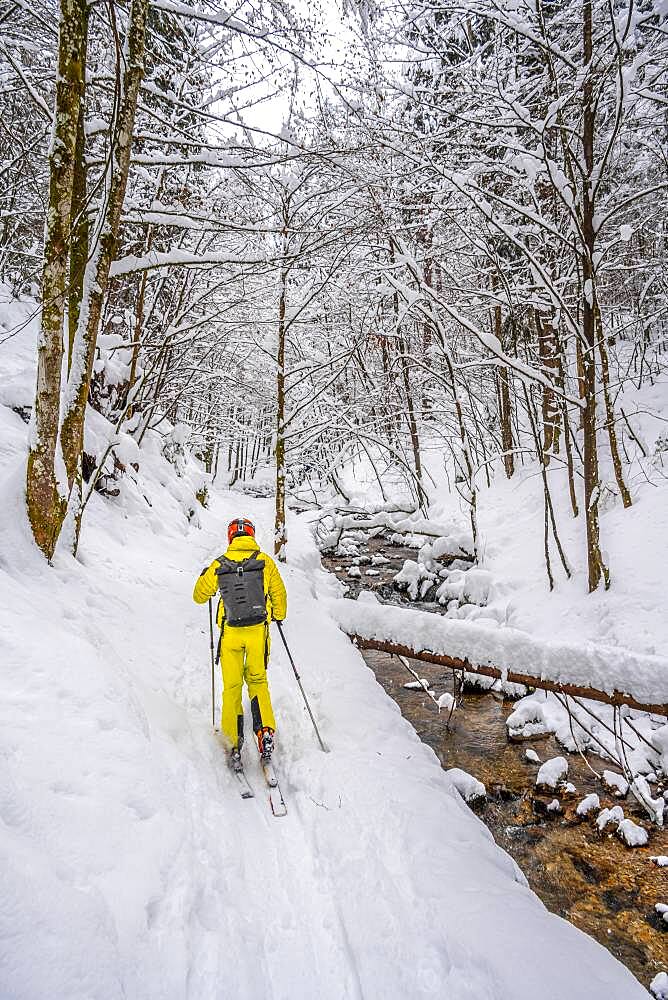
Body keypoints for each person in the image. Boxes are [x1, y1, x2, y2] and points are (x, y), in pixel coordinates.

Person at [193, 517, 287, 771]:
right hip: (257, 633)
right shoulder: (265, 562)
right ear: (252, 536)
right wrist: (276, 614)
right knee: (257, 682)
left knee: (232, 688)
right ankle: (265, 732)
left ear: (230, 537)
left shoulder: (219, 564)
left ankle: (233, 743)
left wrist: (205, 577)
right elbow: (280, 601)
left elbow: (199, 596)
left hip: (230, 634)